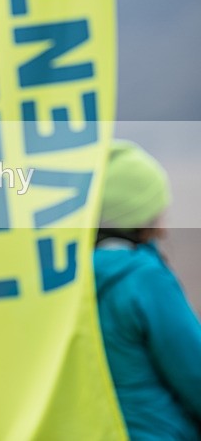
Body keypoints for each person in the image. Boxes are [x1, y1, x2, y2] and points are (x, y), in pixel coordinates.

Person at [94, 140, 201, 440]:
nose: (164, 229)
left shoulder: (65, 280)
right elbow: (194, 374)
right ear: (136, 217)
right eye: (156, 213)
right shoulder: (143, 278)